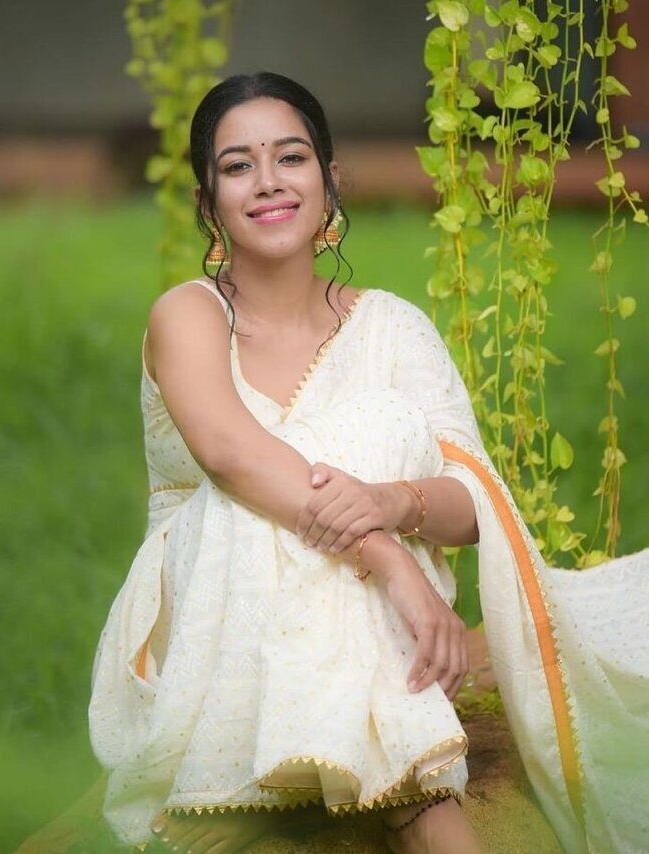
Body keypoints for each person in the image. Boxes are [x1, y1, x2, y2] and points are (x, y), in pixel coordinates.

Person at [89, 72, 649, 854]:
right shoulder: (189, 314)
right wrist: (388, 559)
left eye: (291, 158)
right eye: (238, 166)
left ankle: (329, 781)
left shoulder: (393, 327)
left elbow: (471, 501)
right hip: (212, 608)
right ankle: (416, 803)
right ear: (207, 201)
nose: (269, 182)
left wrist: (389, 501)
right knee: (253, 498)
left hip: (357, 612)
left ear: (330, 181)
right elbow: (230, 457)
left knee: (372, 428)